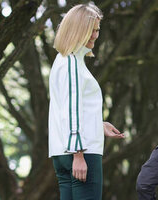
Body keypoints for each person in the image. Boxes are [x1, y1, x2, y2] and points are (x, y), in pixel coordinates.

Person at [49, 3, 125, 200]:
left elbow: (69, 108)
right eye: (90, 30)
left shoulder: (62, 60)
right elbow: (71, 110)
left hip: (62, 153)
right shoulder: (72, 63)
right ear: (76, 30)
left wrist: (98, 125)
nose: (95, 35)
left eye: (97, 29)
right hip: (82, 154)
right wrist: (79, 155)